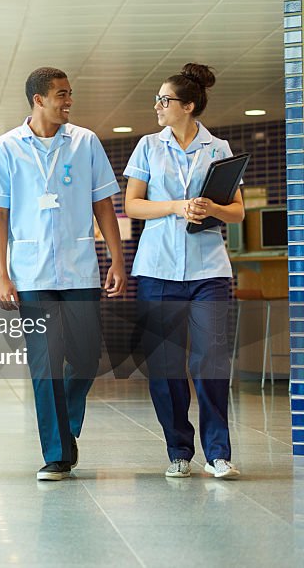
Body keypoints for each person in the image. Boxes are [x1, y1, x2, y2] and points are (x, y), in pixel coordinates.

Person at [0, 66, 127, 481]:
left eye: (69, 94)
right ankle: (57, 453)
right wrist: (0, 275)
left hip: (80, 270)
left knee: (85, 357)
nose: (68, 102)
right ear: (38, 100)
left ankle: (62, 424)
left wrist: (116, 259)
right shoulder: (6, 147)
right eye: (61, 95)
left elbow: (103, 204)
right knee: (44, 364)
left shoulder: (86, 143)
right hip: (30, 273)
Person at [123, 63, 244, 479]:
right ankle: (178, 450)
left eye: (165, 100)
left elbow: (238, 212)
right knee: (166, 364)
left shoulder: (219, 148)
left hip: (209, 270)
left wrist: (211, 208)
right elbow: (133, 205)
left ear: (188, 106)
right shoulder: (148, 147)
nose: (157, 106)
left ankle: (217, 452)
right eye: (158, 99)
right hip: (157, 269)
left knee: (211, 359)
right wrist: (177, 206)